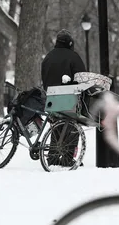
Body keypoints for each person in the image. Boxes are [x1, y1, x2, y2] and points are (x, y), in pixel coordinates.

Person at [41, 29, 86, 167]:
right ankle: (67, 157)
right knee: (72, 127)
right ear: (69, 43)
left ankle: (53, 157)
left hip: (51, 97)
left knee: (55, 127)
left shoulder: (48, 56)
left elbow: (44, 76)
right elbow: (81, 77)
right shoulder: (73, 57)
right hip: (69, 98)